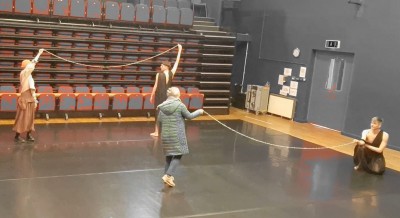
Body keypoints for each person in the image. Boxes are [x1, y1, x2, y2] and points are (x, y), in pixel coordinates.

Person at [157, 87, 204, 187]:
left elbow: (159, 120)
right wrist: (199, 111)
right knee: (178, 154)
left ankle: (167, 177)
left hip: (165, 135)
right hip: (177, 135)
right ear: (178, 95)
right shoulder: (180, 105)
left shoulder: (162, 107)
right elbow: (190, 116)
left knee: (169, 156)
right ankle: (168, 176)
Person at [150, 44, 183, 137]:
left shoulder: (158, 74)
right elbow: (177, 62)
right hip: (168, 96)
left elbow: (155, 86)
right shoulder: (171, 73)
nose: (160, 66)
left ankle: (157, 132)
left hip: (160, 96)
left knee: (158, 113)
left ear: (166, 66)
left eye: (162, 65)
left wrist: (152, 95)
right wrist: (180, 50)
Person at [13, 49, 44, 143]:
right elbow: (31, 66)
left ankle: (28, 134)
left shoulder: (29, 76)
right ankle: (17, 136)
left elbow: (32, 88)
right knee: (22, 116)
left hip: (30, 98)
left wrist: (34, 99)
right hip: (25, 98)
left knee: (30, 117)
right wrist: (39, 53)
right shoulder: (24, 73)